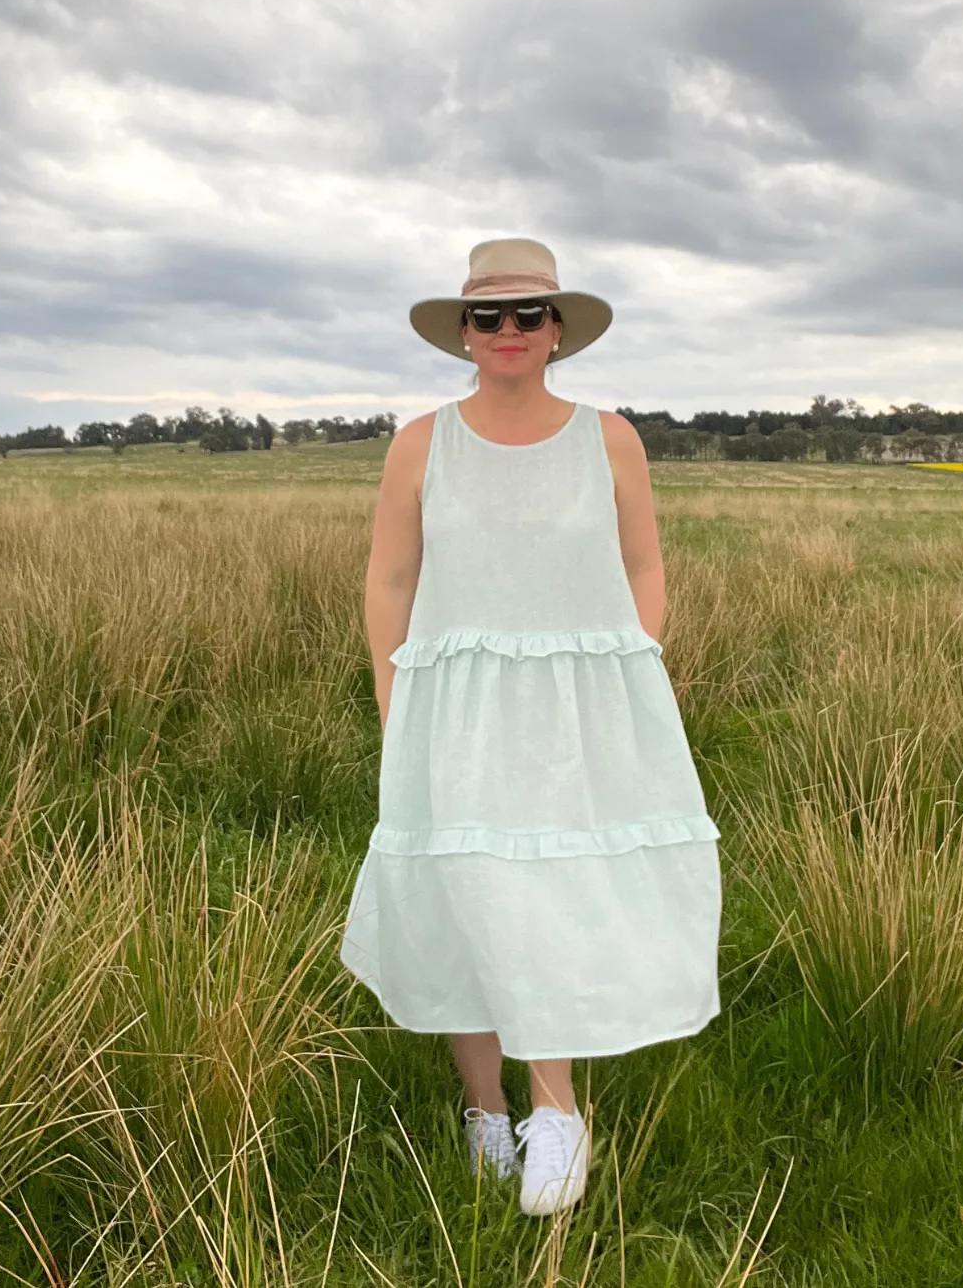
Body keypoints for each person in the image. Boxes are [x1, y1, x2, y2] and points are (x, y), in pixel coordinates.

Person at [341, 237, 721, 1218]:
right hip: (451, 711)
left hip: (572, 715)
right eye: (486, 317)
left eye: (527, 315)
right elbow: (389, 582)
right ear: (463, 333)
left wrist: (617, 677)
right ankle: (484, 1111)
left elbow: (643, 568)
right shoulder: (421, 442)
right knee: (464, 894)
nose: (507, 332)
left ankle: (555, 1111)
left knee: (547, 895)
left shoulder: (611, 438)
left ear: (557, 330)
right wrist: (398, 704)